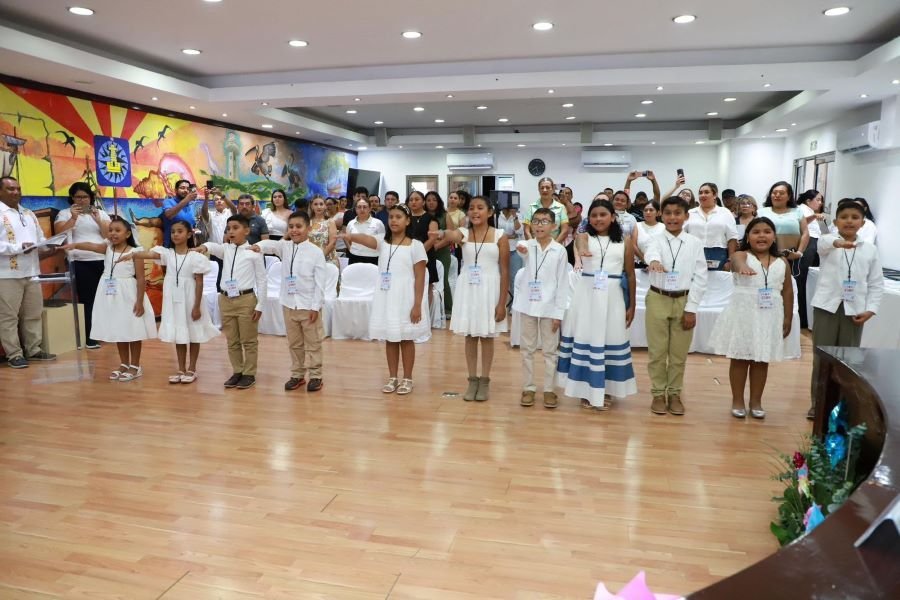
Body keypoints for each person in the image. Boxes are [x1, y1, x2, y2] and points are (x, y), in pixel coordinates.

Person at [709, 217, 792, 419]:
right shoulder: (741, 254)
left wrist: (787, 318)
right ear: (748, 236)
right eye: (756, 232)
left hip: (769, 314)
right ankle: (737, 399)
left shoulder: (782, 262)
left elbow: (788, 291)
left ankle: (756, 401)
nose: (761, 235)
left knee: (761, 360)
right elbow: (736, 261)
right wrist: (741, 267)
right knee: (740, 358)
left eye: (766, 231)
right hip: (744, 313)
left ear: (774, 237)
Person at [808, 199, 883, 419]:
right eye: (844, 217)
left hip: (854, 311)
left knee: (849, 360)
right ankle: (818, 403)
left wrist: (871, 309)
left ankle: (843, 405)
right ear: (835, 221)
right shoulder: (827, 242)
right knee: (822, 358)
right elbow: (825, 243)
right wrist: (839, 243)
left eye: (854, 217)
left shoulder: (869, 250)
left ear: (862, 222)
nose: (849, 221)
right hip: (826, 308)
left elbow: (876, 283)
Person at [119, 220, 219, 384]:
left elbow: (199, 282)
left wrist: (196, 306)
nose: (175, 234)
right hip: (174, 299)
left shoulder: (195, 257)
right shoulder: (167, 254)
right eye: (173, 231)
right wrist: (133, 254)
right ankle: (181, 368)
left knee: (193, 333)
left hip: (190, 299)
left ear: (188, 234)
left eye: (180, 231)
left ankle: (192, 368)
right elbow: (150, 254)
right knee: (179, 333)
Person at [560, 199, 637, 409]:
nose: (598, 219)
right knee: (587, 338)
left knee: (611, 339)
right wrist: (583, 250)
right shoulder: (583, 236)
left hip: (613, 296)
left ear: (612, 217)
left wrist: (632, 305)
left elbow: (630, 275)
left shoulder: (625, 240)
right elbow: (581, 243)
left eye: (603, 214)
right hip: (587, 296)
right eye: (594, 215)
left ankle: (607, 389)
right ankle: (586, 390)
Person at [344, 204, 428, 395]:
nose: (394, 221)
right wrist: (350, 236)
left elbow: (420, 278)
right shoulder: (383, 241)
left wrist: (417, 305)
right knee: (391, 338)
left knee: (406, 338)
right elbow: (367, 239)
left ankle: (407, 377)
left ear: (407, 221)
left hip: (406, 296)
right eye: (391, 217)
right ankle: (392, 377)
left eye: (399, 217)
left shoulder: (416, 246)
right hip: (387, 295)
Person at [432, 196, 509, 401]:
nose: (475, 212)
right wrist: (441, 233)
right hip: (468, 288)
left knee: (486, 336)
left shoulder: (500, 236)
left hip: (489, 289)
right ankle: (472, 380)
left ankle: (484, 380)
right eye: (472, 208)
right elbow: (451, 234)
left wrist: (502, 303)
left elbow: (505, 271)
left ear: (490, 212)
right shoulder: (464, 234)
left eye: (480, 208)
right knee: (470, 336)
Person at [62, 216, 156, 381]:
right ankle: (124, 364)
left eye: (117, 230)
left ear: (127, 234)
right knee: (119, 329)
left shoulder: (136, 252)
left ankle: (135, 365)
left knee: (132, 329)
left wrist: (139, 301)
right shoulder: (107, 248)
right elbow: (91, 246)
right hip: (110, 294)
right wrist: (75, 245)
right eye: (110, 230)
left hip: (128, 294)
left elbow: (141, 278)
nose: (113, 233)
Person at [643, 196, 708, 416]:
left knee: (678, 353)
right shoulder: (655, 239)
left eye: (677, 213)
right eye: (668, 213)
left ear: (686, 216)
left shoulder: (695, 243)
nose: (672, 217)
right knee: (657, 352)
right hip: (658, 298)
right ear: (662, 215)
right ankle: (658, 394)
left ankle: (675, 393)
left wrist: (691, 309)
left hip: (683, 300)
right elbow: (651, 253)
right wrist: (653, 261)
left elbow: (700, 278)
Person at [254, 211, 327, 392]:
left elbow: (320, 283)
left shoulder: (316, 252)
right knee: (294, 343)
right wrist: (257, 246)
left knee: (313, 343)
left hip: (308, 306)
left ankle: (316, 375)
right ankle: (297, 374)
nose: (294, 230)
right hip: (288, 304)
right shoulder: (285, 247)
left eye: (299, 226)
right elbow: (269, 245)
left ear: (308, 229)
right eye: (291, 227)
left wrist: (315, 306)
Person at [196, 215, 267, 390]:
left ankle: (249, 373)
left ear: (247, 231)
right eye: (229, 228)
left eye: (236, 228)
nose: (231, 231)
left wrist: (260, 305)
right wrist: (204, 246)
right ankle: (237, 371)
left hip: (246, 300)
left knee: (249, 340)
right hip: (225, 299)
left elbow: (262, 280)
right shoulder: (225, 249)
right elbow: (213, 246)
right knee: (232, 340)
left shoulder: (253, 252)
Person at [511, 208, 570, 408]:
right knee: (526, 349)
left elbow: (562, 283)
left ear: (554, 226)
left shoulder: (559, 250)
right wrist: (523, 248)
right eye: (536, 221)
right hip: (528, 304)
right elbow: (521, 248)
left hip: (550, 306)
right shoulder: (527, 245)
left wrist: (558, 313)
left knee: (550, 351)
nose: (539, 225)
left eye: (545, 221)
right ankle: (528, 387)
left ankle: (549, 389)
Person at [0, 176, 57, 368]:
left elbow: (39, 237)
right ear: (0, 191)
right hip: (6, 274)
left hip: (32, 271)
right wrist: (18, 247)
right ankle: (14, 354)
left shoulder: (28, 213)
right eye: (10, 189)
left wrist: (46, 247)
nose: (16, 192)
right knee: (8, 317)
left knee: (33, 313)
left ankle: (33, 349)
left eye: (18, 188)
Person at [55, 181, 110, 349]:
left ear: (91, 198)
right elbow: (59, 234)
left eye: (85, 197)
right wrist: (73, 218)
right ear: (72, 198)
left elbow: (109, 234)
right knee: (88, 300)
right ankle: (89, 337)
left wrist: (98, 219)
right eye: (77, 197)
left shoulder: (100, 213)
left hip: (103, 259)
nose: (81, 200)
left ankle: (105, 332)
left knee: (105, 298)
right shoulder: (65, 214)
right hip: (80, 260)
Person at [684, 182, 739, 271]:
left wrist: (730, 260)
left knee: (717, 283)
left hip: (718, 253)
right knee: (695, 282)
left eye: (706, 192)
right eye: (700, 193)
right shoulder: (690, 213)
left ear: (715, 195)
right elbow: (681, 235)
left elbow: (732, 238)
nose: (703, 195)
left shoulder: (725, 213)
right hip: (693, 253)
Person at [757, 181, 808, 269]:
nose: (777, 195)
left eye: (781, 193)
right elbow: (754, 233)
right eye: (774, 192)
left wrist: (799, 253)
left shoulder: (797, 211)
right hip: (767, 256)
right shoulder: (761, 212)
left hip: (792, 256)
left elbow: (805, 233)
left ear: (789, 196)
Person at [798, 190, 826, 329]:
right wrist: (814, 216)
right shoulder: (801, 209)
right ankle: (802, 317)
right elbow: (800, 223)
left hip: (815, 242)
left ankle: (807, 318)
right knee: (803, 279)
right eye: (818, 200)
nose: (820, 203)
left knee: (809, 278)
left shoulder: (811, 211)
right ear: (808, 201)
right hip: (808, 243)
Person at [425, 191, 453, 314]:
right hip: (426, 251)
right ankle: (429, 309)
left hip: (442, 251)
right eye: (428, 200)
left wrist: (436, 246)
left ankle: (448, 309)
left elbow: (451, 236)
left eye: (434, 200)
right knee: (428, 280)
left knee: (443, 279)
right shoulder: (423, 216)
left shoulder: (445, 215)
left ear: (438, 202)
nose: (431, 202)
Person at [523, 177, 569, 244]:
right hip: (535, 247)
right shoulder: (531, 207)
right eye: (542, 188)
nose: (544, 190)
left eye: (547, 187)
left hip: (555, 248)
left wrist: (554, 247)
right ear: (538, 189)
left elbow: (565, 230)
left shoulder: (561, 207)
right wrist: (533, 246)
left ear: (553, 189)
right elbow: (526, 230)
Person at [345, 196, 385, 265]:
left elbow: (382, 243)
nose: (362, 209)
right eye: (359, 207)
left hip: (373, 258)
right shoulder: (351, 223)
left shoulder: (378, 223)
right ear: (355, 209)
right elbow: (348, 240)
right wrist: (352, 250)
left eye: (365, 207)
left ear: (370, 208)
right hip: (354, 257)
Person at [498, 204, 524, 303]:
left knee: (515, 277)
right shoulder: (498, 215)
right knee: (501, 277)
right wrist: (509, 236)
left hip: (515, 249)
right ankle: (501, 302)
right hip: (500, 248)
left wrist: (515, 217)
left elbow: (519, 231)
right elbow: (496, 233)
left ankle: (514, 303)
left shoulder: (518, 215)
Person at [161, 179, 198, 246]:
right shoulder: (168, 202)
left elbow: (192, 223)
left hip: (188, 244)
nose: (186, 190)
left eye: (187, 188)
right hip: (172, 244)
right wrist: (186, 200)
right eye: (182, 188)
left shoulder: (191, 204)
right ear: (176, 190)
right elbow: (169, 215)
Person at [308, 195, 339, 268]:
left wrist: (319, 258)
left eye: (321, 204)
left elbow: (333, 243)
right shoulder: (307, 222)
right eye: (315, 204)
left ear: (325, 206)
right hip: (310, 259)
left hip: (328, 260)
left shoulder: (330, 222)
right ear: (312, 207)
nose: (319, 207)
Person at [633, 201, 664, 265]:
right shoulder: (637, 225)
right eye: (645, 210)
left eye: (651, 210)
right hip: (640, 263)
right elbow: (633, 245)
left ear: (658, 213)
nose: (648, 212)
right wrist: (645, 260)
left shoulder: (663, 227)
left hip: (659, 264)